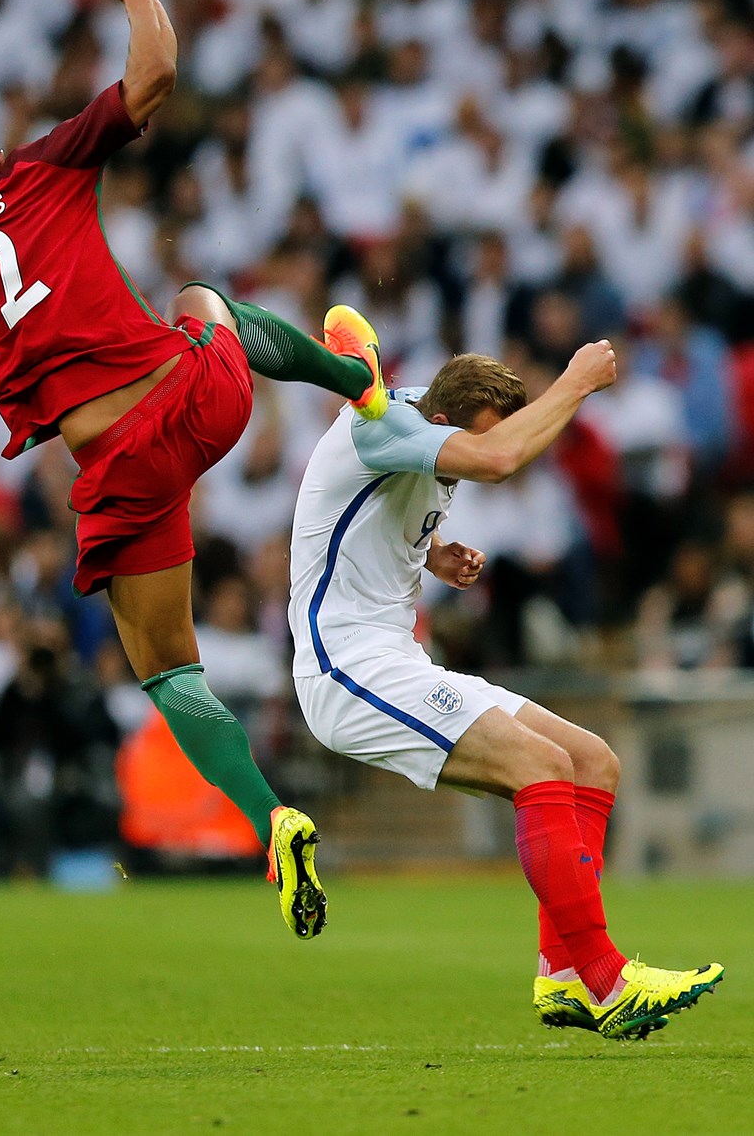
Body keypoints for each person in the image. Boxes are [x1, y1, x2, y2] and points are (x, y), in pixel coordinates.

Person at [0, 0, 390, 940]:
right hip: (197, 398)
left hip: (117, 468)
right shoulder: (46, 167)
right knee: (203, 298)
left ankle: (270, 816)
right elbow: (154, 72)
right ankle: (353, 381)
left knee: (168, 668)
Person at [287, 343, 725, 1036]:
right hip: (346, 669)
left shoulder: (409, 429)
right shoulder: (384, 424)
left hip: (394, 659)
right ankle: (608, 981)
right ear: (440, 416)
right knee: (540, 767)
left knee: (591, 761)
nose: (481, 453)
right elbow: (497, 458)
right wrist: (577, 383)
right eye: (477, 430)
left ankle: (563, 978)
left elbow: (353, 516)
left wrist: (426, 552)